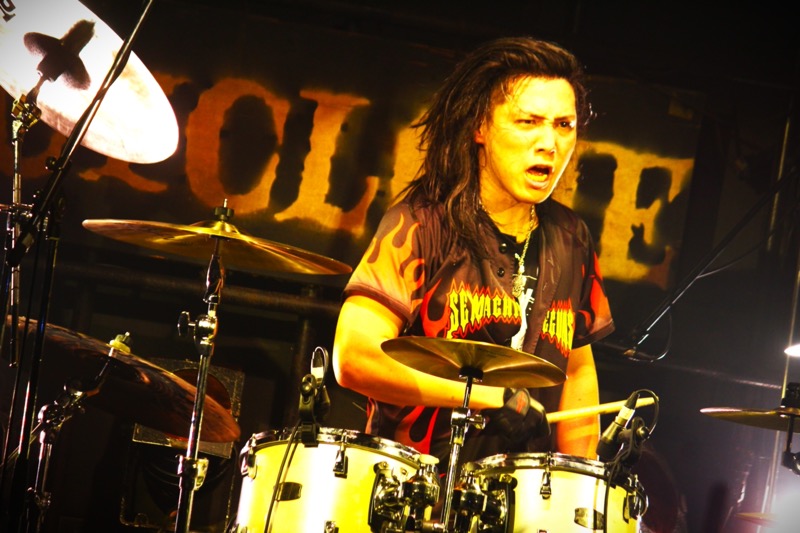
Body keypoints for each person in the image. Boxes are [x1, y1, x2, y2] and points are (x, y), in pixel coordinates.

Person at [332, 36, 614, 473]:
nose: (549, 143)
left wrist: (578, 485)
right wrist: (485, 399)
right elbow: (354, 358)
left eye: (564, 125)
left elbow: (576, 373)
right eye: (528, 122)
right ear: (480, 127)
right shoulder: (422, 223)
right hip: (412, 487)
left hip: (520, 496)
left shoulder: (572, 238)